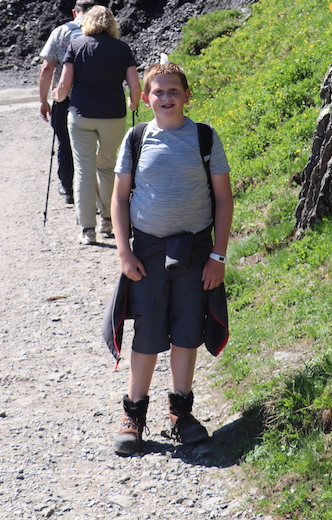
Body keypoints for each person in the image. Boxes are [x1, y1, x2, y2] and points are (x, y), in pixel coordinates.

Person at [107, 61, 233, 456]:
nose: (166, 98)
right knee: (146, 333)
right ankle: (134, 415)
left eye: (173, 91)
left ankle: (181, 412)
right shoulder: (136, 138)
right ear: (145, 98)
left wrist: (218, 255)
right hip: (146, 252)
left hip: (195, 252)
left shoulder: (205, 138)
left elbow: (225, 198)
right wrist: (124, 251)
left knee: (186, 331)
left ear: (186, 95)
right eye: (158, 92)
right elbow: (119, 197)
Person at [52, 5, 141, 245]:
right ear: (112, 24)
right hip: (113, 115)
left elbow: (64, 85)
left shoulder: (76, 45)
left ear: (87, 22)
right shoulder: (122, 49)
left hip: (81, 115)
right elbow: (134, 86)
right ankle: (108, 219)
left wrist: (57, 97)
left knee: (84, 169)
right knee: (108, 166)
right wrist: (134, 105)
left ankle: (87, 229)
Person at [38, 0, 95, 205]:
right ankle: (95, 191)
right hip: (96, 98)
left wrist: (43, 100)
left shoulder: (61, 32)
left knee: (65, 142)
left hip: (65, 98)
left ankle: (67, 187)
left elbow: (47, 67)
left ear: (74, 12)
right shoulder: (104, 32)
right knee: (93, 144)